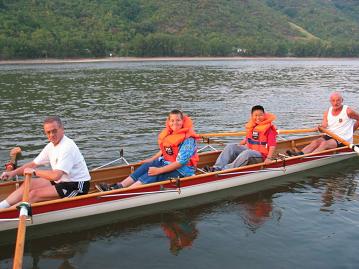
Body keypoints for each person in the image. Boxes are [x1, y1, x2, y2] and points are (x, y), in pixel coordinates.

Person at [96, 109, 199, 191]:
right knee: (147, 166)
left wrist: (159, 170)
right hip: (167, 163)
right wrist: (152, 159)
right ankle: (120, 186)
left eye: (178, 120)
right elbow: (165, 150)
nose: (175, 123)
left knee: (156, 174)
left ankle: (127, 192)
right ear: (168, 122)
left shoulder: (188, 140)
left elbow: (180, 163)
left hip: (183, 170)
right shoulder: (170, 133)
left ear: (183, 121)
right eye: (172, 120)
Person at [0, 116, 90, 209]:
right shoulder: (51, 146)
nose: (51, 135)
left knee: (34, 194)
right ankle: (2, 206)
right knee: (31, 184)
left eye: (54, 131)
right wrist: (12, 173)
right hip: (61, 181)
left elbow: (56, 176)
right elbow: (33, 164)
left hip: (77, 186)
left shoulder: (67, 147)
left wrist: (34, 172)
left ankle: (6, 214)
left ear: (62, 129)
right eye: (48, 132)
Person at [206, 105, 277, 172]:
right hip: (250, 150)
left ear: (264, 115)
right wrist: (237, 147)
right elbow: (247, 139)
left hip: (261, 156)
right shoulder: (253, 126)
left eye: (260, 115)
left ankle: (224, 170)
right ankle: (216, 168)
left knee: (247, 153)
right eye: (256, 115)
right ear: (252, 116)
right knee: (231, 146)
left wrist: (269, 158)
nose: (258, 117)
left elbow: (272, 145)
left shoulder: (269, 130)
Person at [287, 92, 359, 156]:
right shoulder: (327, 111)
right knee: (316, 142)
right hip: (330, 135)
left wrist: (351, 131)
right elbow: (324, 125)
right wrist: (320, 127)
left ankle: (307, 158)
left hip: (343, 139)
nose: (335, 103)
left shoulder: (348, 111)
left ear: (342, 100)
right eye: (333, 100)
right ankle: (300, 154)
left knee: (324, 144)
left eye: (338, 100)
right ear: (330, 101)